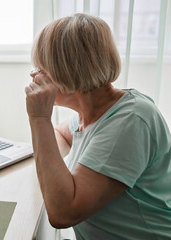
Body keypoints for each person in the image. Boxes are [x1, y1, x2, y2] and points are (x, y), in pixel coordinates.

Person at [25, 13, 171, 239]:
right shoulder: (90, 115)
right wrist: (53, 166)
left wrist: (39, 118)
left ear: (68, 69)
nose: (34, 76)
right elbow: (60, 134)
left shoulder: (130, 120)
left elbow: (62, 213)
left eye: (41, 67)